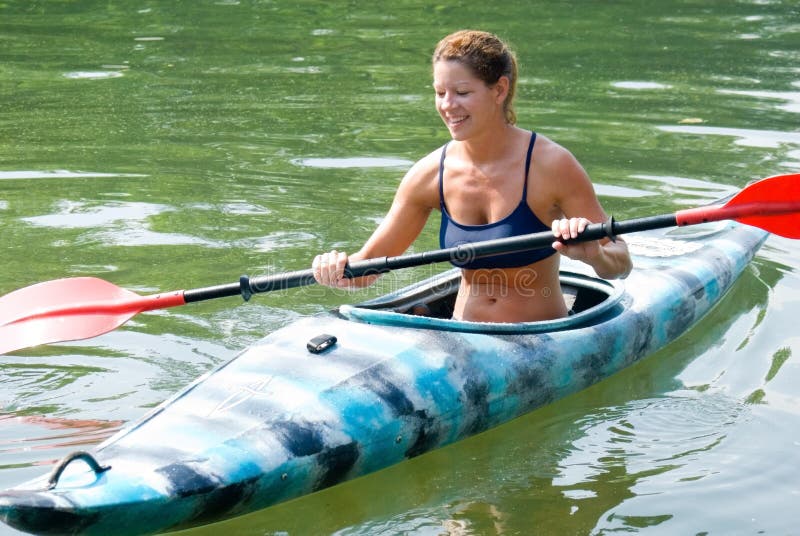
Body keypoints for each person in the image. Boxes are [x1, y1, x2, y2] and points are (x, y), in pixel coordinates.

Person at [312, 30, 631, 323]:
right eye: (440, 92)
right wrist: (336, 268)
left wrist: (595, 255)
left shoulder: (551, 165)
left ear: (500, 90)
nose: (447, 105)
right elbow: (367, 268)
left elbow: (621, 262)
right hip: (462, 335)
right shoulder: (428, 175)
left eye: (462, 92)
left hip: (541, 335)